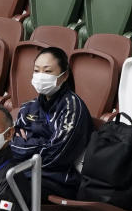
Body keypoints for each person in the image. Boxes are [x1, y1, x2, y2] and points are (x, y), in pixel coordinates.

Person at [10, 46, 93, 199]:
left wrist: (25, 145)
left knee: (11, 183)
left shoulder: (72, 108)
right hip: (29, 170)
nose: (41, 76)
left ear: (65, 75)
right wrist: (41, 144)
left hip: (59, 178)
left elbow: (56, 156)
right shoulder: (28, 107)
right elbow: (11, 142)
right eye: (36, 70)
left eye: (47, 71)